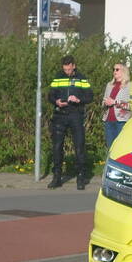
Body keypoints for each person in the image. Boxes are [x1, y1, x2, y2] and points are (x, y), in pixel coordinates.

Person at [47, 54, 93, 189]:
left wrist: (79, 100)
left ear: (74, 66)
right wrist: (56, 101)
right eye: (65, 69)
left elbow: (90, 96)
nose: (67, 72)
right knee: (57, 147)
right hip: (60, 115)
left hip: (75, 115)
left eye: (69, 69)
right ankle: (57, 177)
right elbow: (50, 95)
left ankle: (80, 177)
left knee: (79, 146)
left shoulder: (82, 78)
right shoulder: (57, 77)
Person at [102, 63, 132, 152]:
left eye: (117, 69)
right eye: (113, 69)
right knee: (110, 149)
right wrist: (105, 103)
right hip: (108, 121)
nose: (114, 71)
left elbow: (131, 105)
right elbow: (103, 100)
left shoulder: (129, 85)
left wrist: (114, 102)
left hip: (121, 121)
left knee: (120, 149)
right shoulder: (109, 85)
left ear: (124, 71)